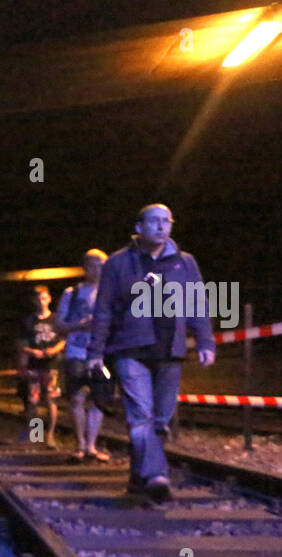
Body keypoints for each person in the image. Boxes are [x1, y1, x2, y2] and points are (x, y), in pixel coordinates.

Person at [86, 204, 216, 502]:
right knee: (141, 416)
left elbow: (197, 303)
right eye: (153, 221)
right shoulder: (118, 263)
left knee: (160, 420)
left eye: (166, 221)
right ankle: (158, 477)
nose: (160, 227)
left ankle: (138, 476)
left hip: (170, 350)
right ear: (139, 227)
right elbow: (104, 309)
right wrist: (96, 351)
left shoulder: (185, 263)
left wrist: (205, 342)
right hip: (130, 350)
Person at [54, 249, 111, 462]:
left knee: (99, 399)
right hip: (77, 351)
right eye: (95, 265)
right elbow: (59, 325)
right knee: (77, 397)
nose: (99, 269)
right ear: (85, 267)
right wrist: (80, 325)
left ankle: (91, 446)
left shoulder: (112, 292)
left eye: (103, 265)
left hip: (103, 352)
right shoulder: (72, 293)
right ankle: (78, 443)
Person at [17, 285, 66, 446]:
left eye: (44, 298)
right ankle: (36, 434)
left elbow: (64, 339)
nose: (41, 302)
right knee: (33, 401)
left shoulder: (57, 319)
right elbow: (21, 344)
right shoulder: (28, 322)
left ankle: (50, 435)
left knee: (51, 400)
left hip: (52, 365)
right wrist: (32, 352)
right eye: (38, 299)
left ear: (49, 299)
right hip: (34, 365)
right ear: (34, 301)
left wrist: (54, 349)